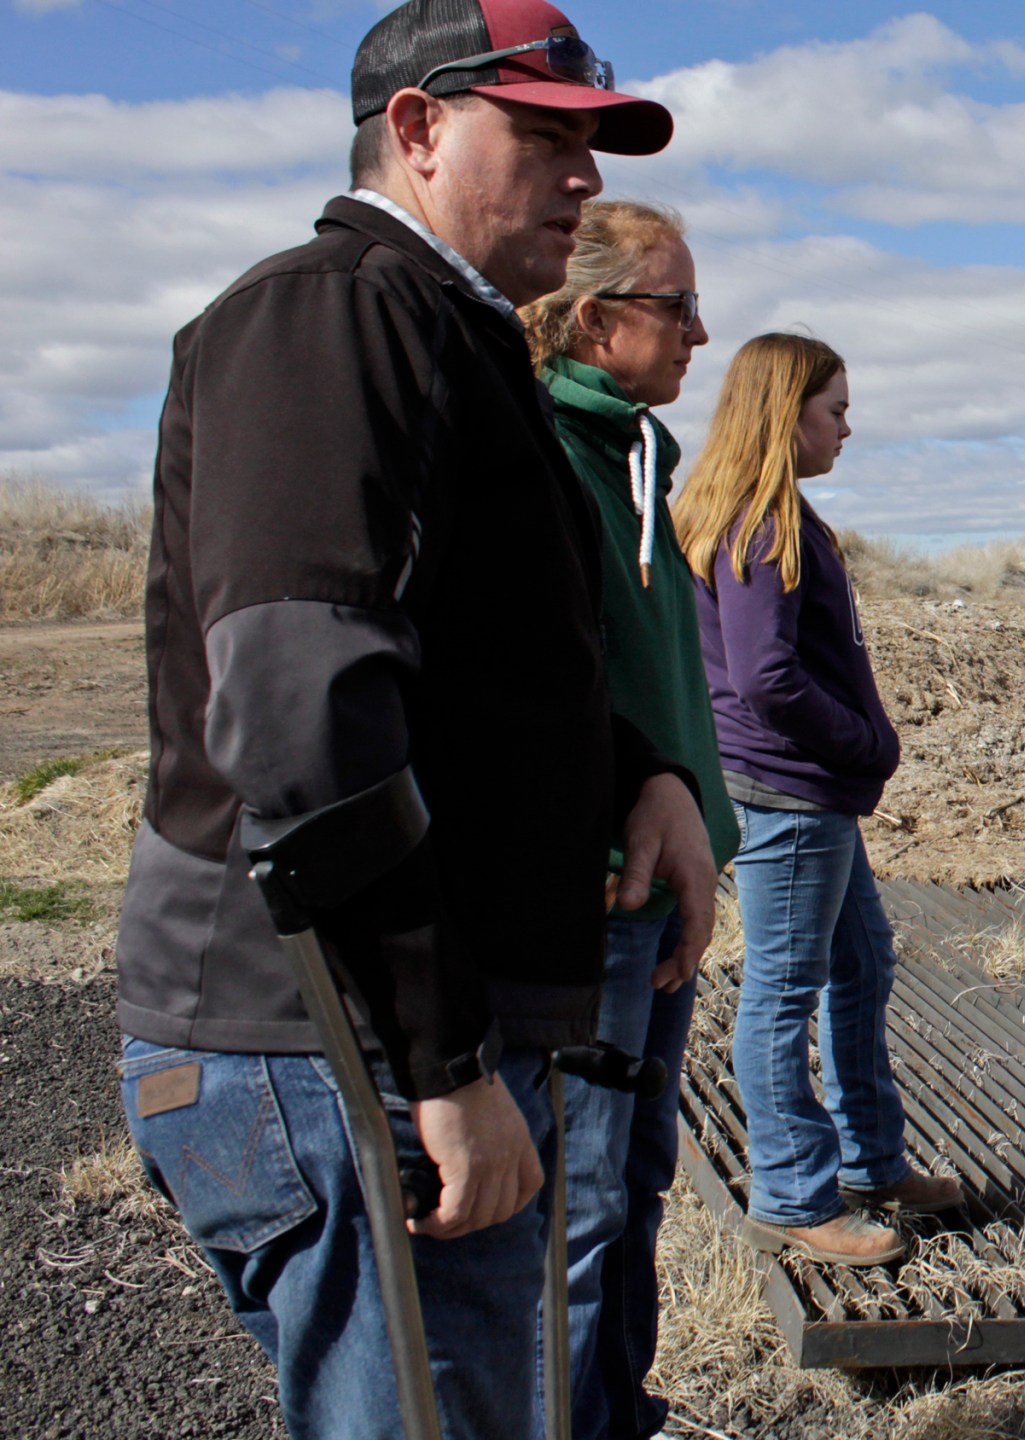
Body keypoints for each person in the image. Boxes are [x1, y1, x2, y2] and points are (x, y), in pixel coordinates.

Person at [113, 3, 714, 1435]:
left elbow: (484, 673)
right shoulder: (331, 319)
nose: (581, 181)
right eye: (546, 137)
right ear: (420, 129)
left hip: (393, 1045)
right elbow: (302, 729)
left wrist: (648, 778)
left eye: (592, 145)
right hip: (332, 1048)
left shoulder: (446, 336)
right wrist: (435, 1065)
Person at [671, 333, 963, 1266]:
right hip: (790, 795)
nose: (847, 426)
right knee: (784, 988)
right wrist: (868, 741)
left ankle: (872, 1162)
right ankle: (795, 1194)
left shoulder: (764, 511)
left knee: (863, 962)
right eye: (834, 408)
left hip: (803, 794)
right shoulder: (764, 522)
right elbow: (764, 677)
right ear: (784, 411)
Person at [519, 200, 736, 1440]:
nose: (700, 333)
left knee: (634, 1184)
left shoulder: (645, 458)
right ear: (596, 321)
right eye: (675, 306)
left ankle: (619, 1413)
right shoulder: (539, 453)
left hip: (668, 888)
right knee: (582, 1202)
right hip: (598, 893)